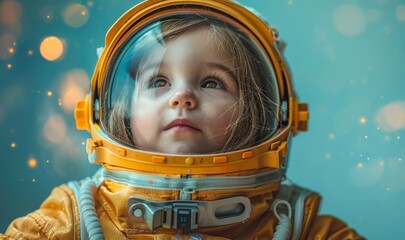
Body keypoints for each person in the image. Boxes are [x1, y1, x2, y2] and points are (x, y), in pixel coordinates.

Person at [1, 0, 362, 239]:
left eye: (211, 82)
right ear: (118, 110)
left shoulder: (302, 228)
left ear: (254, 111)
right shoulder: (70, 220)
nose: (182, 96)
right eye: (159, 81)